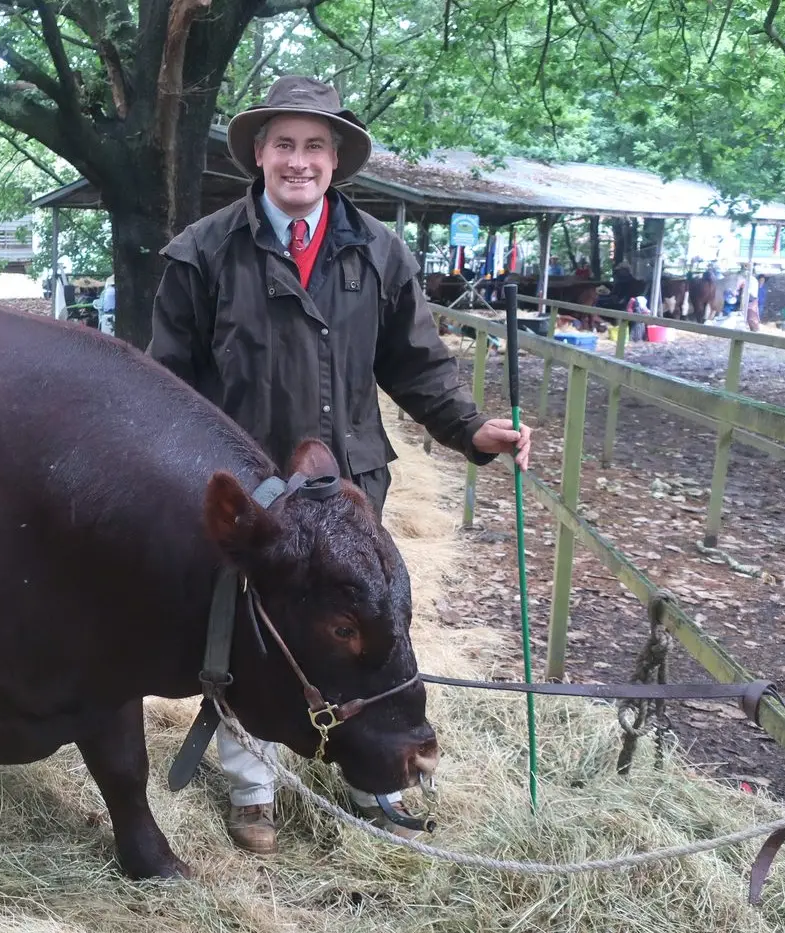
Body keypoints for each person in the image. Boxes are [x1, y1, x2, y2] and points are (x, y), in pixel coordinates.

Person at [148, 76, 532, 856]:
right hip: (253, 502)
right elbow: (166, 383)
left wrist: (470, 428)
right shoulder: (201, 253)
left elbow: (416, 364)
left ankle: (375, 779)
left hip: (352, 489)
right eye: (284, 144)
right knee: (243, 638)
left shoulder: (379, 252)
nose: (299, 160)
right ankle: (254, 790)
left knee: (369, 636)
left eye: (314, 146)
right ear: (259, 153)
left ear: (336, 160)